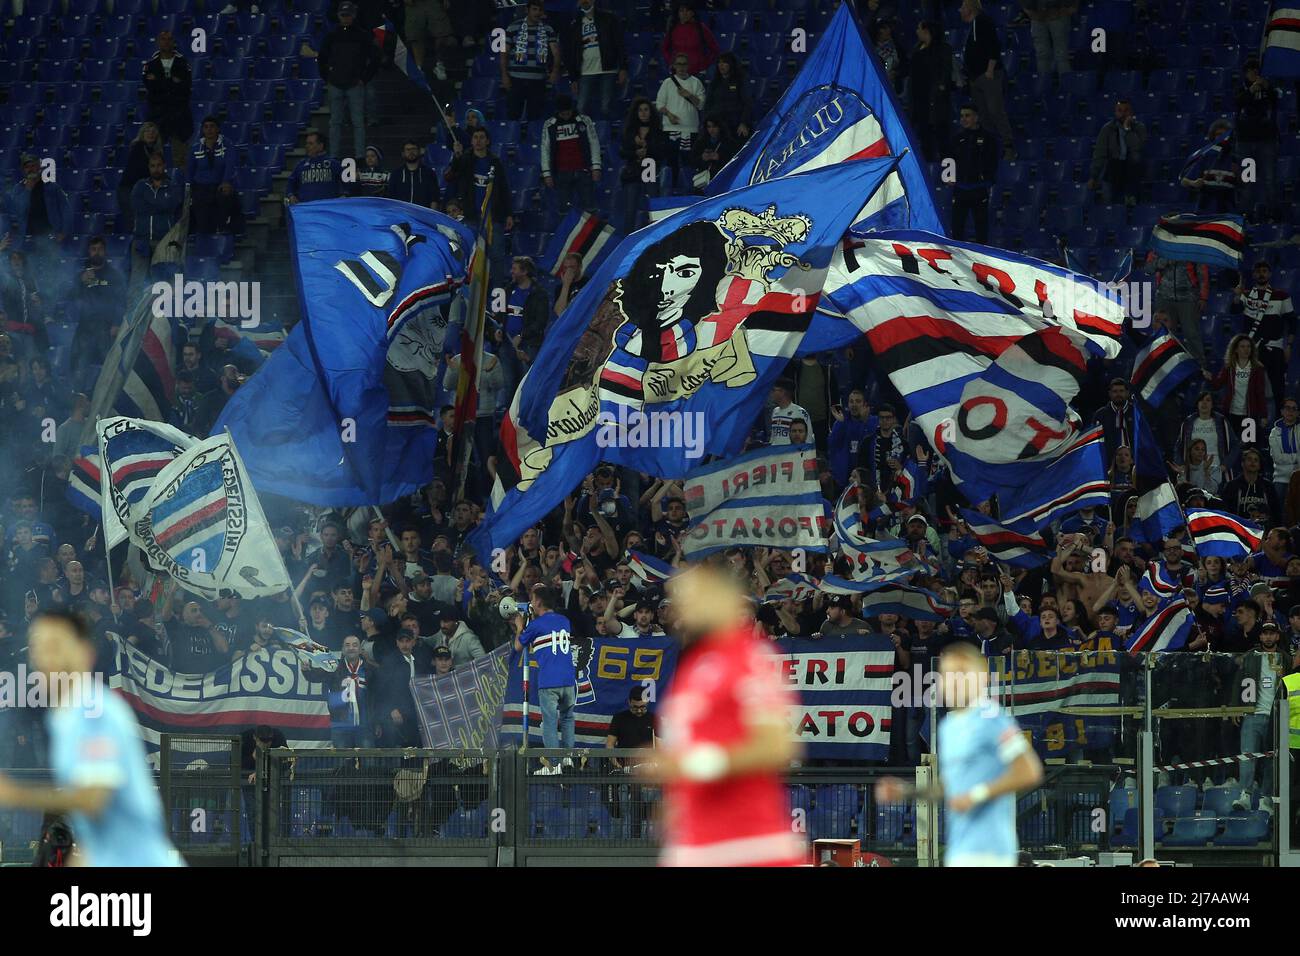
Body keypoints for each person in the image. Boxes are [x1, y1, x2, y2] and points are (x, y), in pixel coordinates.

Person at [646, 562, 803, 867]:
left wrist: (698, 764)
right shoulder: (694, 667)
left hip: (748, 845)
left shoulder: (750, 657)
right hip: (696, 845)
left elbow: (776, 747)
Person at [0, 610, 180, 866]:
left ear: (84, 653)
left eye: (56, 646)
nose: (45, 657)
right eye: (38, 646)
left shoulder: (94, 710)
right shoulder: (64, 717)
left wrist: (14, 794)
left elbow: (93, 798)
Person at [876, 641, 1043, 866]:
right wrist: (907, 792)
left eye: (962, 673)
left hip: (991, 851)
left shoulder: (992, 717)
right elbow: (950, 785)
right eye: (947, 674)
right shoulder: (949, 727)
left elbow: (1029, 771)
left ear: (981, 678)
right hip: (960, 850)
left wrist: (976, 795)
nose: (954, 681)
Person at [1232, 259, 1295, 415]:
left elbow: (1292, 322)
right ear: (1253, 274)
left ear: (1270, 274)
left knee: (1278, 388)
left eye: (1264, 271)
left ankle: (1281, 426)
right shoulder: (1246, 294)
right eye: (1258, 271)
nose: (1261, 274)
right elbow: (1235, 310)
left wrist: (1289, 346)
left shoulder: (1281, 295)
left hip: (1275, 348)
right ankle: (1251, 428)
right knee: (1250, 389)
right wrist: (1237, 296)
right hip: (1251, 351)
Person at [318, 1, 379, 160]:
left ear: (354, 16)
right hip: (336, 84)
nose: (346, 18)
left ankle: (359, 157)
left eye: (348, 15)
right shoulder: (332, 35)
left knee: (357, 123)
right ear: (338, 16)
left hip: (354, 85)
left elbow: (374, 59)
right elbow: (322, 58)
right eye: (343, 15)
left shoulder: (362, 35)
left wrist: (364, 79)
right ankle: (334, 157)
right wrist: (327, 78)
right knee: (335, 123)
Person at [958, 0, 1013, 161]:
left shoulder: (983, 21)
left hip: (987, 75)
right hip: (976, 77)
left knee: (995, 111)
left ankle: (1008, 146)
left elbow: (993, 46)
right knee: (983, 114)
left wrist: (990, 70)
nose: (960, 10)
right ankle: (991, 146)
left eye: (962, 7)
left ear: (970, 8)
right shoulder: (974, 25)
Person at [562, 0, 627, 121]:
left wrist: (623, 68)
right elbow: (572, 52)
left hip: (608, 69)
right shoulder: (574, 24)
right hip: (585, 71)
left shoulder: (609, 18)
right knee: (580, 108)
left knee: (606, 107)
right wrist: (573, 78)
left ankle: (607, 136)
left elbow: (620, 44)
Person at [1235, 58, 1281, 223]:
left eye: (1256, 70)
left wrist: (1267, 89)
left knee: (1270, 179)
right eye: (1250, 71)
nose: (1254, 73)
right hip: (1246, 143)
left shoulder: (1269, 89)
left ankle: (1273, 213)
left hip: (1266, 141)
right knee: (1248, 180)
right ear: (1245, 74)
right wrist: (1251, 91)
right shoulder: (1241, 89)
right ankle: (1246, 213)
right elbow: (1238, 102)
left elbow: (1276, 101)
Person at [540, 95, 602, 217]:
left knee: (590, 209)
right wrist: (547, 174)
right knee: (564, 211)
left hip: (583, 170)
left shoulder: (584, 120)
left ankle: (592, 235)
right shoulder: (549, 125)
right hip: (561, 173)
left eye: (568, 112)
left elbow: (594, 143)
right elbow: (545, 150)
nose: (566, 115)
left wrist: (596, 166)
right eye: (563, 113)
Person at [501, 0, 561, 122]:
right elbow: (504, 54)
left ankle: (533, 140)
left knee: (536, 115)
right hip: (516, 79)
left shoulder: (548, 29)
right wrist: (504, 75)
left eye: (540, 10)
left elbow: (556, 52)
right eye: (534, 9)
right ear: (526, 10)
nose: (537, 13)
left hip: (538, 80)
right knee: (513, 114)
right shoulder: (513, 27)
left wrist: (555, 71)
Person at [617, 97, 672, 232]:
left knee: (653, 205)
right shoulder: (630, 132)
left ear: (651, 112)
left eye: (646, 110)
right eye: (640, 110)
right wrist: (636, 152)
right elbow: (622, 152)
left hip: (651, 168)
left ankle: (656, 234)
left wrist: (647, 148)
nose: (643, 113)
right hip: (633, 170)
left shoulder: (657, 131)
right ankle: (628, 237)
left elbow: (662, 152)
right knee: (631, 207)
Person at [141, 30, 193, 171]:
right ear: (158, 41)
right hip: (158, 116)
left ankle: (183, 190)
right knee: (155, 158)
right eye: (163, 39)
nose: (166, 42)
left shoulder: (182, 62)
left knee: (181, 159)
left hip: (179, 116)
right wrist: (172, 82)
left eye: (169, 39)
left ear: (173, 42)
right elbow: (151, 88)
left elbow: (185, 87)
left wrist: (160, 81)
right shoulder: (150, 64)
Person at [656, 53, 706, 192]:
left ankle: (689, 190)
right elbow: (659, 104)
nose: (681, 67)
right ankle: (672, 188)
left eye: (684, 64)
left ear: (688, 66)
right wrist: (669, 114)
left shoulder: (696, 82)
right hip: (671, 129)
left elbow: (701, 105)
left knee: (689, 162)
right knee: (672, 162)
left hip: (691, 130)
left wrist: (689, 95)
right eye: (679, 64)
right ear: (674, 66)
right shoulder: (668, 82)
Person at [950, 102, 998, 243]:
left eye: (967, 115)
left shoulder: (989, 139)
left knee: (981, 230)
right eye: (962, 116)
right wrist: (949, 177)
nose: (964, 119)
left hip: (979, 190)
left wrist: (987, 180)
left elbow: (993, 162)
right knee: (957, 229)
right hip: (960, 189)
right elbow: (949, 159)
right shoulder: (957, 138)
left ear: (976, 117)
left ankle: (982, 262)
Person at [908, 20, 954, 162]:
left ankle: (947, 175)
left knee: (942, 136)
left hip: (936, 100)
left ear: (926, 31)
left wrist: (939, 89)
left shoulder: (943, 49)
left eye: (919, 28)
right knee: (924, 136)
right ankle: (929, 170)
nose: (917, 31)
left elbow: (945, 73)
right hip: (919, 100)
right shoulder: (917, 49)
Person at [1087, 99, 1146, 207]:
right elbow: (1100, 153)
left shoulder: (1139, 127)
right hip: (1113, 167)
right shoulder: (1107, 129)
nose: (1123, 113)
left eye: (1126, 110)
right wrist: (1094, 176)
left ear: (1131, 112)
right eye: (1120, 110)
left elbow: (1137, 147)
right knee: (1109, 166)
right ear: (1115, 112)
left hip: (1131, 168)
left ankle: (1131, 201)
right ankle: (1108, 210)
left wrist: (1127, 129)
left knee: (1135, 157)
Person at [189, 116, 241, 235]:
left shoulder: (228, 145)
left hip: (220, 185)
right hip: (201, 187)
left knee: (226, 194)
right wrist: (188, 188)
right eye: (206, 127)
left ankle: (223, 228)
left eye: (212, 126)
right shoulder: (195, 148)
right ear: (202, 130)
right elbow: (190, 170)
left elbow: (230, 165)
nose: (209, 129)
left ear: (218, 129)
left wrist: (226, 181)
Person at [660, 1, 719, 77]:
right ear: (678, 13)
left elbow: (715, 49)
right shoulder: (673, 28)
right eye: (681, 11)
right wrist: (671, 62)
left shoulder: (701, 28)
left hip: (697, 73)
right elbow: (664, 48)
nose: (684, 13)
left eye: (687, 10)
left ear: (692, 13)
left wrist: (705, 63)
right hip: (677, 72)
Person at [286, 129, 345, 204]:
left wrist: (345, 194)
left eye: (310, 144)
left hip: (327, 209)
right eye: (306, 143)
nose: (306, 146)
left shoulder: (333, 164)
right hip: (306, 210)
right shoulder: (301, 165)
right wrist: (291, 195)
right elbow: (290, 183)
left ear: (321, 146)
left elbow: (348, 183)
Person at [1020, 0, 1073, 76]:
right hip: (1036, 17)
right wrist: (1028, 11)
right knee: (1041, 54)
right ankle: (1043, 84)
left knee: (1061, 54)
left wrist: (1071, 7)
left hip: (1058, 15)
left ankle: (1066, 84)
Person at [387, 140, 441, 209]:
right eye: (408, 150)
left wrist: (431, 216)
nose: (411, 152)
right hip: (402, 214)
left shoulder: (429, 173)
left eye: (414, 149)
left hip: (422, 214)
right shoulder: (396, 174)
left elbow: (434, 197)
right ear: (403, 153)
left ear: (419, 151)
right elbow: (391, 197)